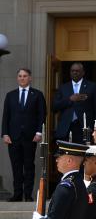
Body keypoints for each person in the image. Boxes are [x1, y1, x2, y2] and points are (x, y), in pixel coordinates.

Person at [2, 68, 46, 202]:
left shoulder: (37, 95)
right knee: (16, 166)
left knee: (28, 166)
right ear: (17, 78)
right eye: (20, 76)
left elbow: (42, 115)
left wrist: (39, 132)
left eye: (25, 76)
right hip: (13, 137)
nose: (22, 78)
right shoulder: (10, 95)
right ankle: (17, 194)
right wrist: (5, 133)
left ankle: (28, 195)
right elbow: (6, 116)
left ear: (30, 78)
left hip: (30, 136)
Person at [33, 140, 89, 219]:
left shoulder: (65, 187)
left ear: (69, 161)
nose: (56, 160)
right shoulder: (78, 181)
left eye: (59, 157)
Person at [53, 62, 96, 143]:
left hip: (84, 128)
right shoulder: (63, 87)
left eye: (77, 71)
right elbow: (55, 106)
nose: (74, 72)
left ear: (83, 72)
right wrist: (70, 99)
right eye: (72, 71)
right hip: (66, 128)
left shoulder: (92, 86)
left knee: (82, 154)